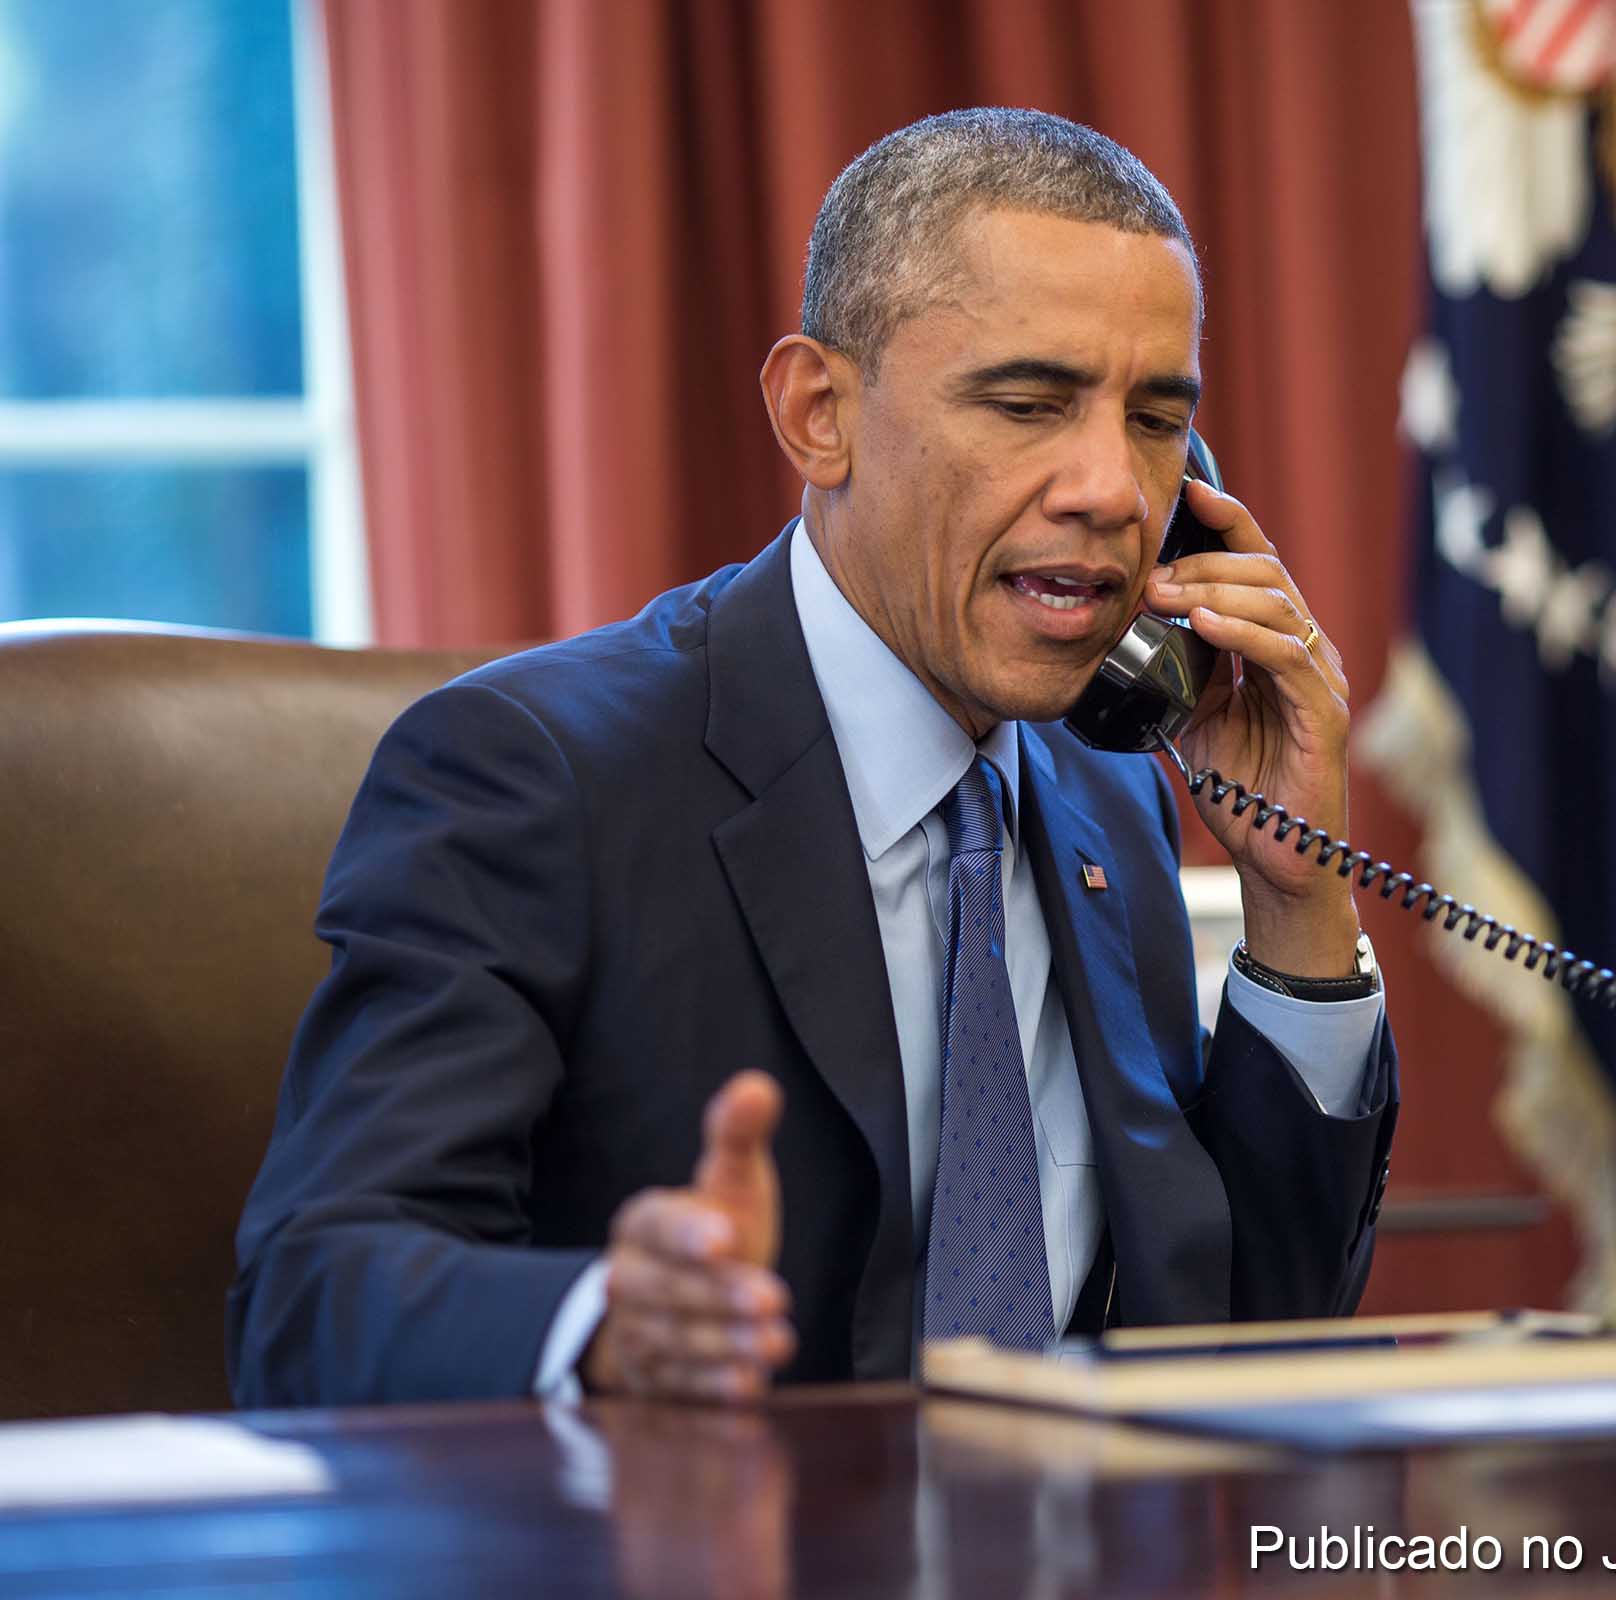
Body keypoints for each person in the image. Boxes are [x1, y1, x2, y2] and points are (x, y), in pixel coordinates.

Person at [228, 108, 1399, 1406]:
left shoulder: (1104, 779)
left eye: (1155, 421)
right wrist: (610, 1323)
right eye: (1028, 403)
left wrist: (1301, 899)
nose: (1115, 492)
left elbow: (1241, 1339)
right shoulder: (533, 776)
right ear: (818, 413)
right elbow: (310, 1297)